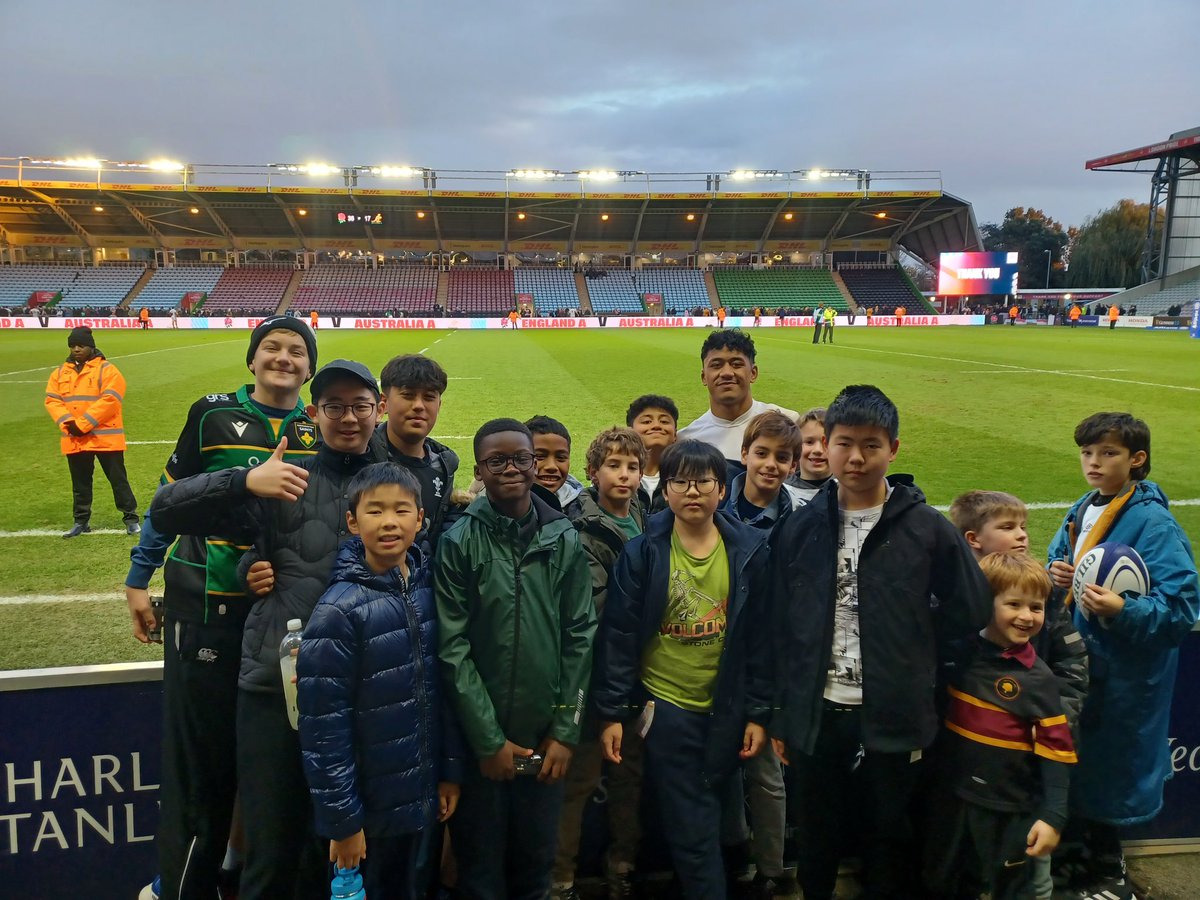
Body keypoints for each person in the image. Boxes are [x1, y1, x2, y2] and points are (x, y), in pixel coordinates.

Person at [151, 358, 386, 900]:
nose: (348, 418)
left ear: (378, 411)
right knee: (274, 843)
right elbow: (166, 511)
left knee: (346, 848)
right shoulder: (286, 483)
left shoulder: (400, 483)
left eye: (359, 405)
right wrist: (244, 481)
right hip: (277, 686)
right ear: (313, 413)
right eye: (334, 407)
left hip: (368, 687)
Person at [770, 384, 991, 900]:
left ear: (893, 449)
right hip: (817, 713)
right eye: (845, 442)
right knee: (817, 834)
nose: (856, 457)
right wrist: (782, 710)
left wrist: (915, 647)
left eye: (872, 444)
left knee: (887, 835)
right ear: (825, 444)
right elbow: (782, 625)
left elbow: (971, 609)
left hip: (894, 716)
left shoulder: (928, 529)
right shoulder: (800, 528)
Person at [127, 316, 319, 900]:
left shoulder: (317, 428)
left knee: (267, 767)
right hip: (205, 610)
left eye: (296, 350)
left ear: (309, 368)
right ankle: (176, 885)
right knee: (199, 767)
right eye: (271, 348)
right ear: (252, 359)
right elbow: (168, 501)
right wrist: (140, 577)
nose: (283, 358)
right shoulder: (211, 414)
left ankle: (240, 875)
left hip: (281, 624)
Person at [593, 439, 771, 900]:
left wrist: (756, 711)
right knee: (692, 822)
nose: (693, 492)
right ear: (665, 490)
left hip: (727, 706)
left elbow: (762, 639)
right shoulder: (643, 552)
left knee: (718, 815)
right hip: (667, 706)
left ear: (722, 489)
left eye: (703, 482)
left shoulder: (751, 551)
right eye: (681, 482)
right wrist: (612, 713)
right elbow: (619, 636)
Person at [435, 418, 596, 900]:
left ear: (534, 464)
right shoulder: (459, 541)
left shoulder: (563, 537)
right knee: (480, 872)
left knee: (535, 867)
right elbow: (453, 646)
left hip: (546, 748)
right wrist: (488, 742)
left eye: (521, 458)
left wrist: (565, 731)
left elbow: (580, 635)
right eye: (496, 461)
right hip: (482, 751)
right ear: (480, 471)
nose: (511, 469)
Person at [1047, 412, 1200, 899]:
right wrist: (1056, 575)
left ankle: (1111, 878)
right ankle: (1074, 865)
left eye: (1107, 453)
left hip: (1124, 677)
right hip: (1078, 669)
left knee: (1110, 779)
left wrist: (1121, 609)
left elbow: (1180, 607)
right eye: (1087, 453)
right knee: (1076, 771)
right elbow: (1062, 556)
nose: (1094, 462)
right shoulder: (1082, 507)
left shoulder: (1154, 524)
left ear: (1137, 460)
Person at [297, 462, 463, 898]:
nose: (390, 521)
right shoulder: (338, 611)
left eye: (401, 510)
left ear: (420, 518)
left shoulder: (432, 587)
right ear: (353, 522)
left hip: (423, 802)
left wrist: (447, 773)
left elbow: (442, 693)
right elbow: (323, 728)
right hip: (370, 818)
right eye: (375, 511)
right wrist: (343, 823)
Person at [948, 489, 1088, 900]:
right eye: (1009, 527)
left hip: (1022, 776)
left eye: (1024, 527)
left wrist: (1040, 724)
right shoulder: (954, 603)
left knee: (1024, 879)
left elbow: (1072, 671)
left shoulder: (1038, 597)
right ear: (973, 538)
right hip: (962, 788)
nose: (1023, 536)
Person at [923, 553, 1077, 899]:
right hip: (952, 798)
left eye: (1036, 607)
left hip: (1010, 810)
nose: (1026, 616)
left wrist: (1053, 816)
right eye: (1013, 604)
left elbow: (1057, 753)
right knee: (942, 877)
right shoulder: (957, 654)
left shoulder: (1039, 680)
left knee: (1008, 888)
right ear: (982, 604)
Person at [553, 427, 647, 900]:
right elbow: (594, 613)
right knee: (582, 779)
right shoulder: (582, 528)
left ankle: (623, 864)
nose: (624, 476)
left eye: (632, 467)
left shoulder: (648, 515)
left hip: (639, 677)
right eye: (614, 465)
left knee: (629, 777)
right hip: (595, 676)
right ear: (592, 473)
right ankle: (562, 878)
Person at [719, 411, 802, 898]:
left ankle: (771, 868)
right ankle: (734, 856)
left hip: (768, 660)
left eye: (782, 457)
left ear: (792, 465)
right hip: (715, 655)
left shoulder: (797, 522)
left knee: (766, 772)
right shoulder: (715, 507)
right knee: (724, 769)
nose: (771, 465)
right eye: (762, 453)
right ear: (745, 454)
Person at [44, 326, 140, 538]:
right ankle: (81, 521)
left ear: (91, 347)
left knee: (118, 480)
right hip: (75, 438)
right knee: (80, 484)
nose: (76, 349)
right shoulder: (60, 372)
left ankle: (131, 518)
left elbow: (111, 400)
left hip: (105, 437)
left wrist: (83, 424)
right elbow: (52, 400)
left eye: (81, 345)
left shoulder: (107, 370)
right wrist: (68, 423)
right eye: (72, 346)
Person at [370, 354, 461, 553]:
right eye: (408, 395)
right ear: (383, 403)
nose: (419, 405)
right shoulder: (362, 456)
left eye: (429, 397)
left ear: (439, 405)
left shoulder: (445, 464)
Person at [678, 329, 800, 466]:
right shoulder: (686, 440)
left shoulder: (790, 423)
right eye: (716, 365)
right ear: (703, 377)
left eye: (736, 364)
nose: (726, 373)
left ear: (753, 373)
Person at [626, 393, 678, 513]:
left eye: (664, 421)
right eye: (646, 421)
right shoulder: (616, 475)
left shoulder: (685, 478)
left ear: (675, 434)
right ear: (630, 431)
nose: (656, 426)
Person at [527, 414, 586, 518]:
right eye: (539, 456)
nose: (551, 466)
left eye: (561, 458)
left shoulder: (582, 508)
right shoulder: (497, 508)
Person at [785, 407, 833, 502]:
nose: (818, 450)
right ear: (796, 446)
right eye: (809, 442)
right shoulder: (783, 492)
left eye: (826, 442)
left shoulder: (847, 490)